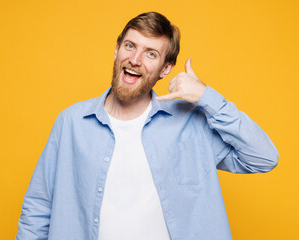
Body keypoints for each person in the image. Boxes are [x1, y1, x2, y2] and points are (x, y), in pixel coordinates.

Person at [16, 12, 278, 240]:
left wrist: (206, 97)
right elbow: (38, 208)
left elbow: (263, 157)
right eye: (130, 46)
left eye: (150, 53)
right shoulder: (71, 122)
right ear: (116, 49)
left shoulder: (190, 124)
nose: (135, 59)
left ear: (166, 69)